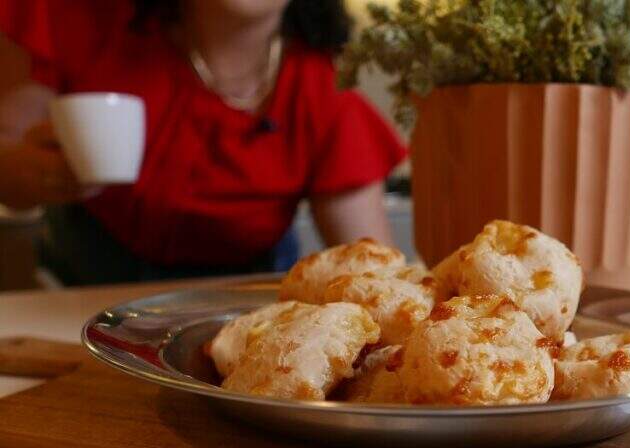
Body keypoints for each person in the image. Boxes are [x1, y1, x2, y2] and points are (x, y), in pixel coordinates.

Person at [0, 0, 406, 284]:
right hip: (76, 299)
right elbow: (8, 169)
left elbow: (376, 274)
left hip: (236, 319)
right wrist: (34, 174)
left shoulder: (325, 93)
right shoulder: (85, 19)